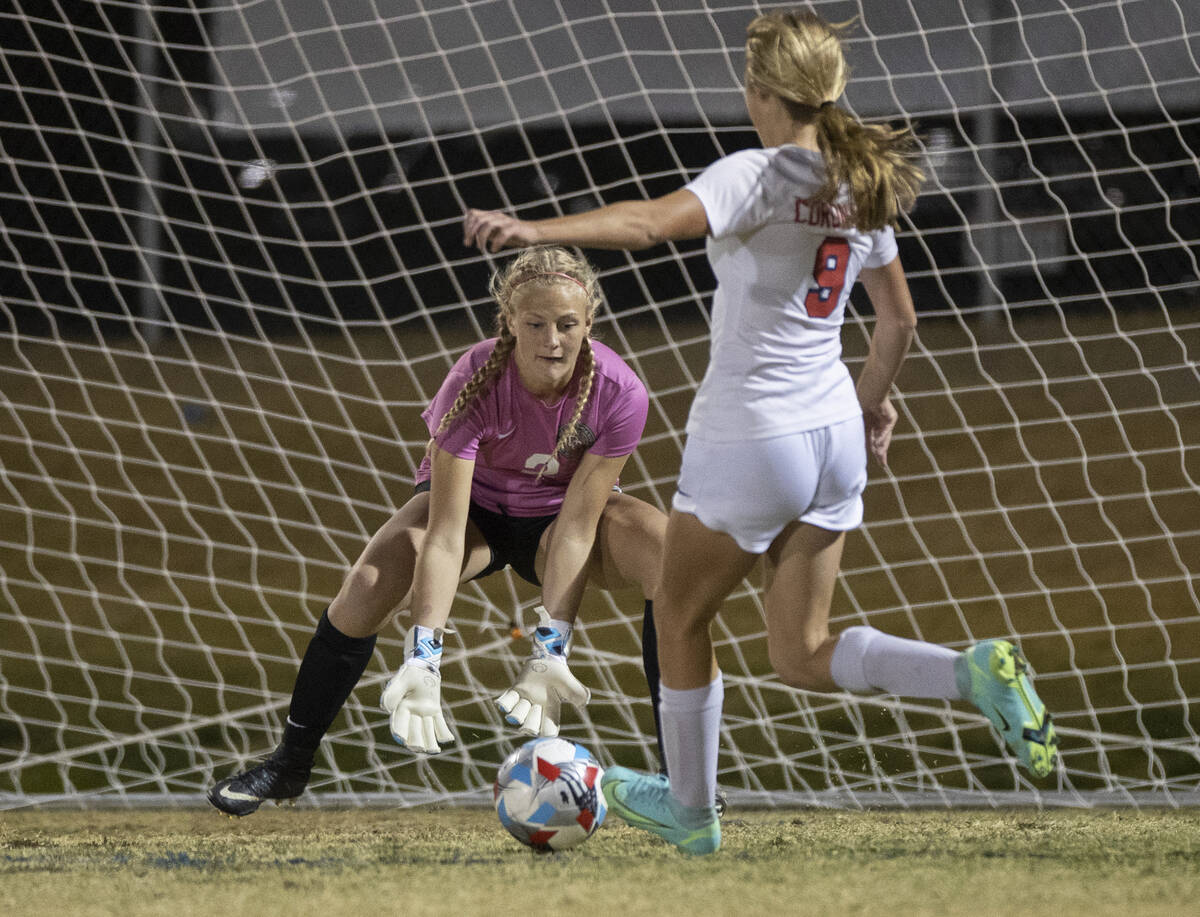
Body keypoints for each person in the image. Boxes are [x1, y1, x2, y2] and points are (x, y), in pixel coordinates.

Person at [463, 8, 1058, 855]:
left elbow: (644, 225)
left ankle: (693, 813)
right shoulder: (857, 178)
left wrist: (534, 231)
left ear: (765, 91)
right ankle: (970, 671)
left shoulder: (759, 171)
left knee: (677, 612)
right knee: (801, 648)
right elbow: (898, 320)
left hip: (753, 437)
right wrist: (871, 402)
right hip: (831, 437)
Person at [208, 245, 671, 817]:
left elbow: (576, 528)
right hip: (474, 518)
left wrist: (551, 645)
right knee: (372, 578)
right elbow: (447, 533)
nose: (552, 338)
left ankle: (681, 782)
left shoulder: (619, 392)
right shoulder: (475, 380)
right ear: (509, 323)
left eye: (567, 325)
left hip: (561, 523)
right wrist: (424, 654)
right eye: (535, 323)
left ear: (589, 324)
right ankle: (289, 764)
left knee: (666, 554)